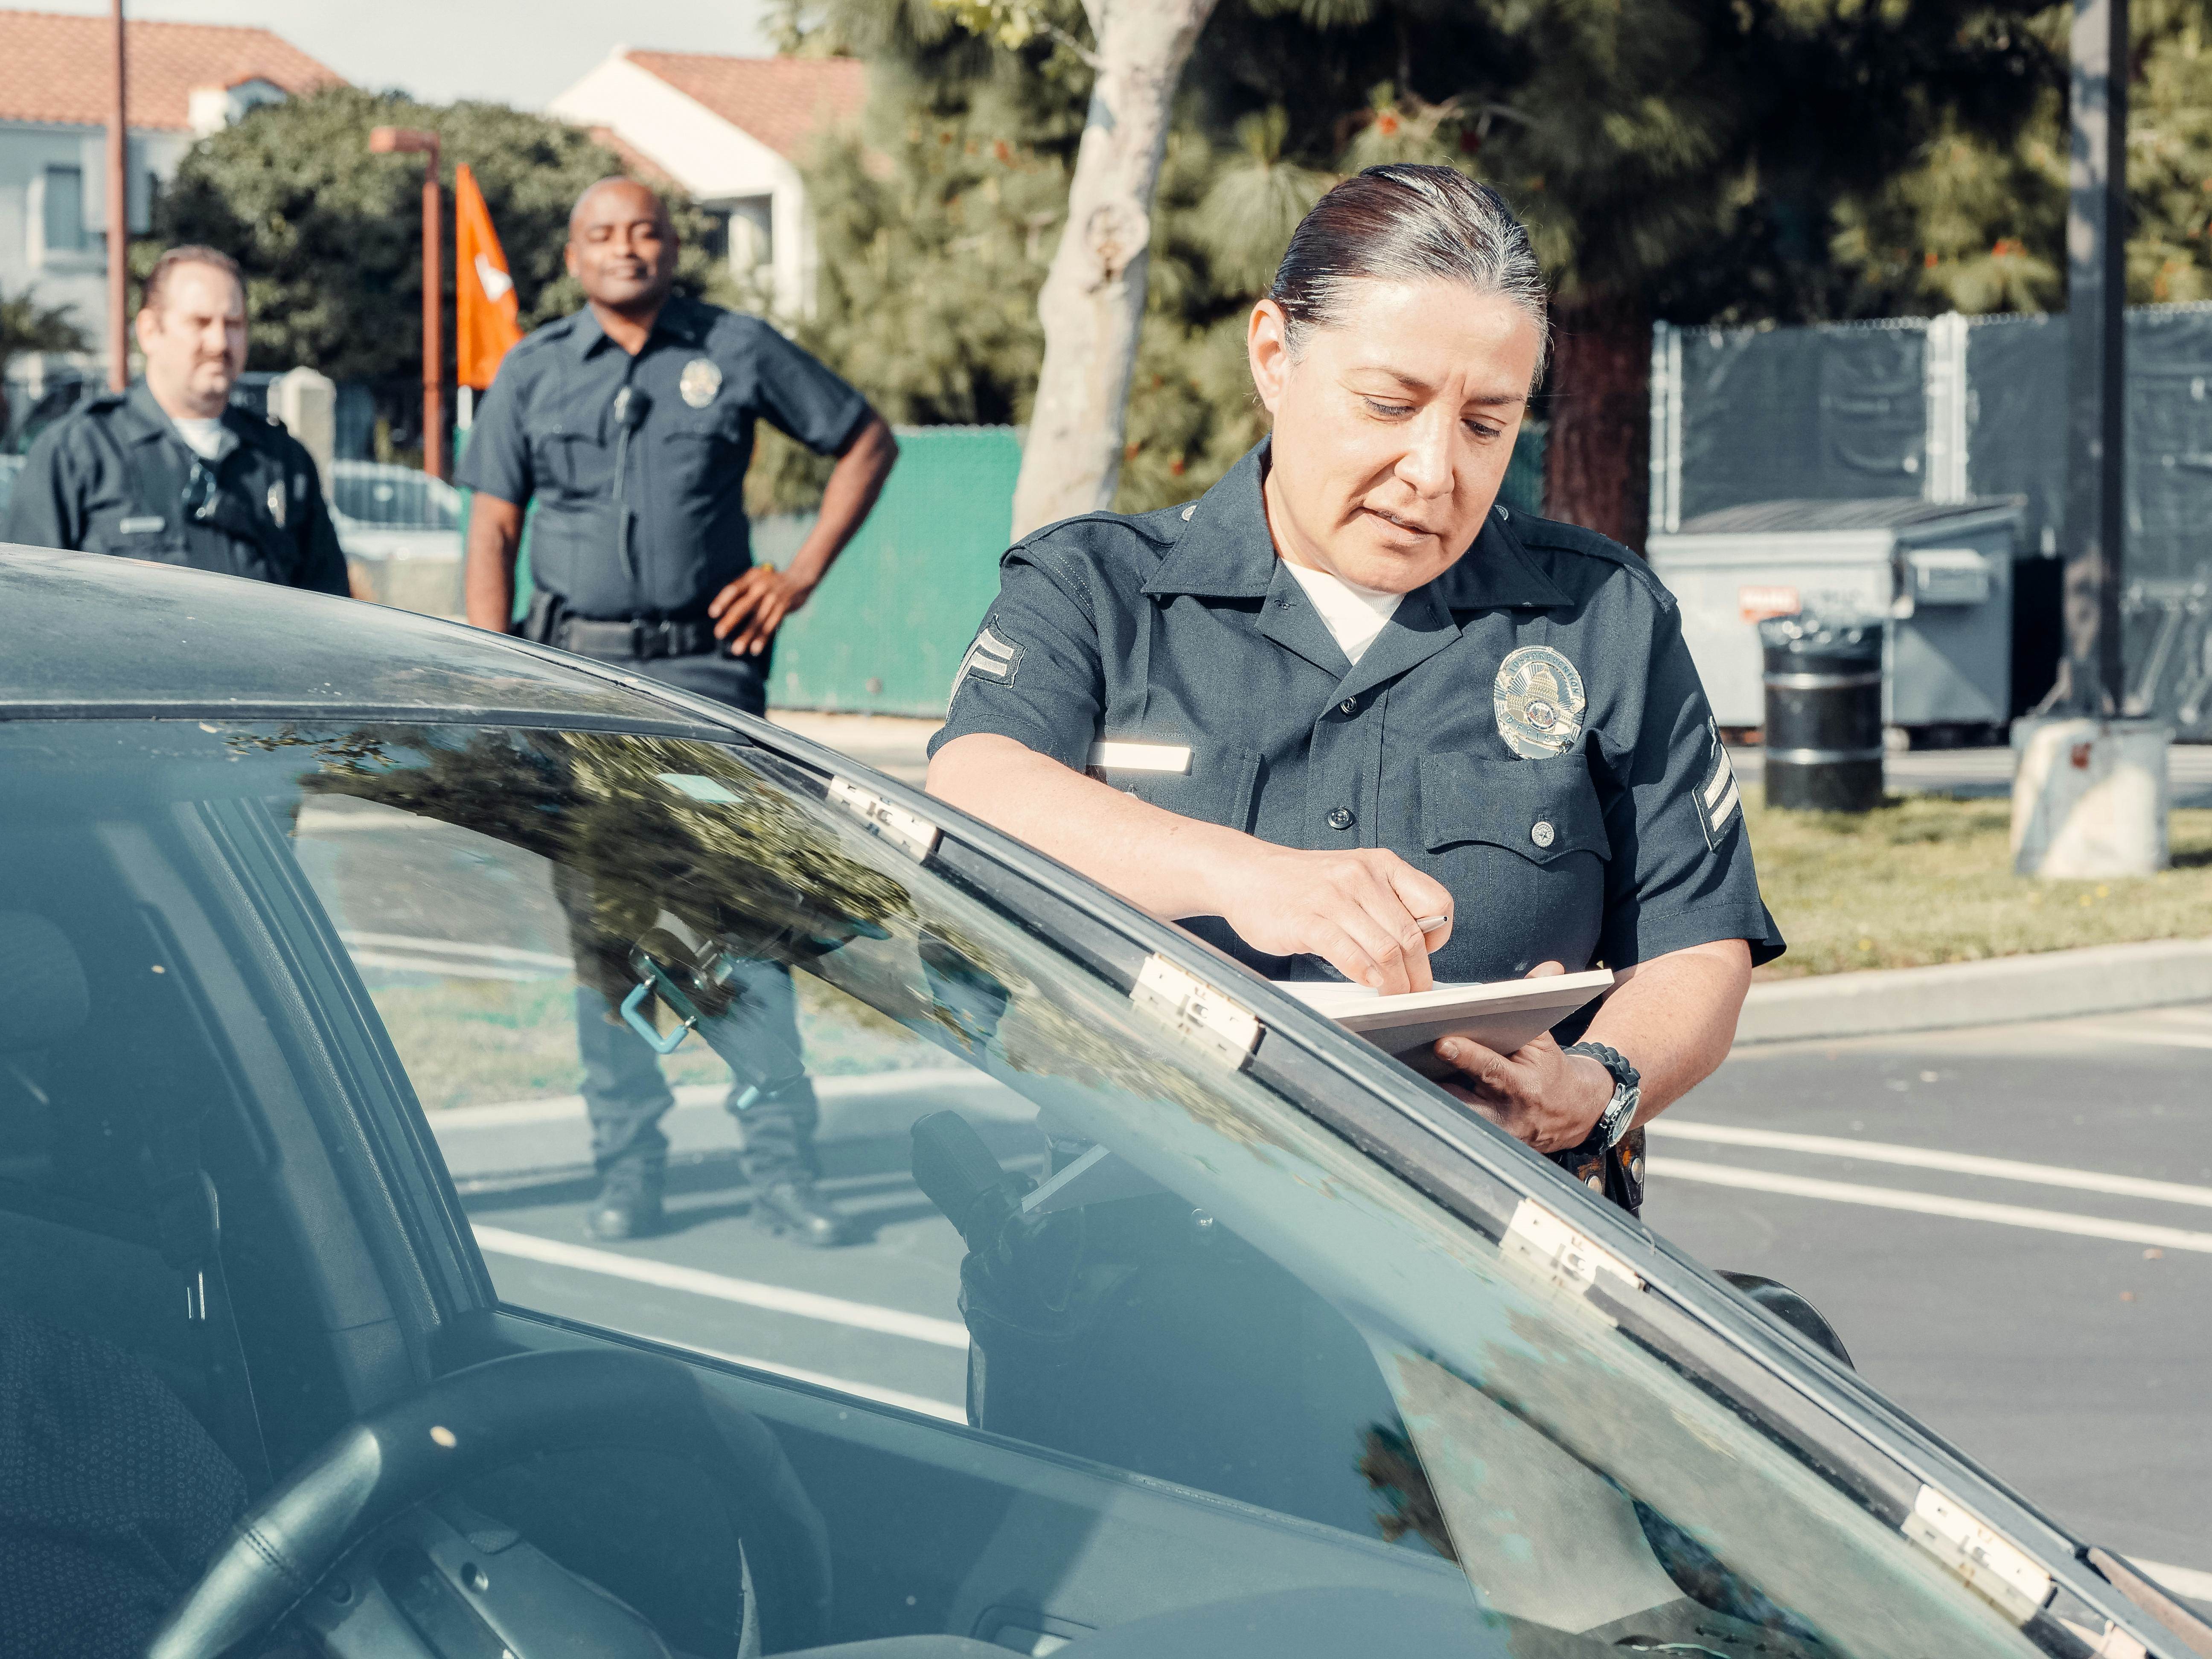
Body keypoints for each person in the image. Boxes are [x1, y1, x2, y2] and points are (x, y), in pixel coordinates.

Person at [926, 166, 1784, 1205]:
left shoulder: (1600, 619)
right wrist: (1246, 875)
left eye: (1485, 424)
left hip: (1486, 1269)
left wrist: (1591, 1092)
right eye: (1388, 404)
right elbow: (974, 784)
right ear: (1273, 355)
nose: (1433, 469)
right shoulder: (1095, 589)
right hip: (1132, 1248)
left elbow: (1696, 944)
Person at [460, 177, 899, 1246]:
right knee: (610, 940)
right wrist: (491, 682)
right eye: (603, 234)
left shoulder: (737, 349)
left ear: (671, 245)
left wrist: (795, 575)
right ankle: (628, 1169)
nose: (626, 247)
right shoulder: (532, 369)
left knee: (741, 922)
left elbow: (865, 440)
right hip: (575, 682)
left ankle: (782, 1171)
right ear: (573, 257)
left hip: (706, 678)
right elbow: (491, 533)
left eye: (644, 230)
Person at [5, 245, 349, 596]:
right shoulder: (77, 454)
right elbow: (29, 608)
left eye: (233, 324)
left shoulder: (284, 463)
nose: (218, 342)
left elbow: (329, 612)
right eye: (200, 323)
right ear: (151, 331)